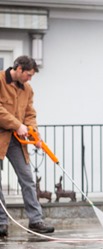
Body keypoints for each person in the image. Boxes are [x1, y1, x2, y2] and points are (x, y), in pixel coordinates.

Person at [0, 55, 54, 237]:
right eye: (29, 74)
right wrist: (17, 125)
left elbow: (30, 114)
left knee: (27, 179)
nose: (30, 78)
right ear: (19, 69)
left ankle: (36, 221)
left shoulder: (28, 89)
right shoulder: (0, 80)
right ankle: (1, 223)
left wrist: (34, 133)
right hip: (1, 137)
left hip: (17, 141)